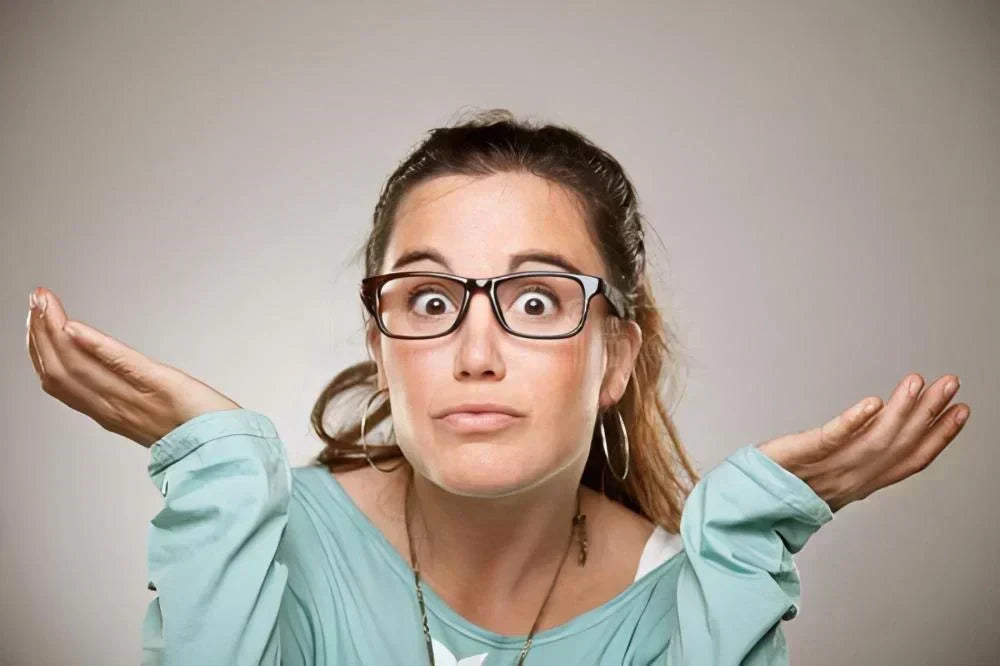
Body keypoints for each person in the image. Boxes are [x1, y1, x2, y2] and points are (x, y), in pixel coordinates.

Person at [26, 109, 970, 666]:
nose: (476, 350)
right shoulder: (270, 544)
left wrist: (738, 546)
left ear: (617, 358)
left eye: (534, 298)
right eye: (431, 299)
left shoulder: (691, 602)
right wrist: (223, 471)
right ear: (383, 342)